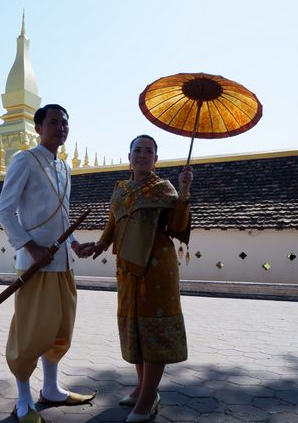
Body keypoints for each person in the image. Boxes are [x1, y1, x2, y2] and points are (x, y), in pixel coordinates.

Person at [0, 104, 97, 423]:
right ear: (38, 127)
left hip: (63, 265)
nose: (61, 128)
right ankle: (24, 400)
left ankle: (51, 389)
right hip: (34, 266)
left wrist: (75, 243)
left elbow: (62, 218)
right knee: (30, 332)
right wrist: (30, 246)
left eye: (65, 123)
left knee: (59, 329)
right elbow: (4, 211)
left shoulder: (65, 168)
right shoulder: (24, 160)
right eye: (53, 122)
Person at [91, 134, 193, 422]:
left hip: (157, 267)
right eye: (137, 150)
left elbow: (177, 226)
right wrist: (99, 245)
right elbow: (113, 223)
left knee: (154, 329)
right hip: (127, 268)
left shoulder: (164, 188)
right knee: (134, 325)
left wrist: (184, 192)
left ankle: (148, 399)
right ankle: (142, 388)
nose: (143, 155)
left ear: (156, 160)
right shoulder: (121, 189)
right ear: (129, 157)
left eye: (149, 151)